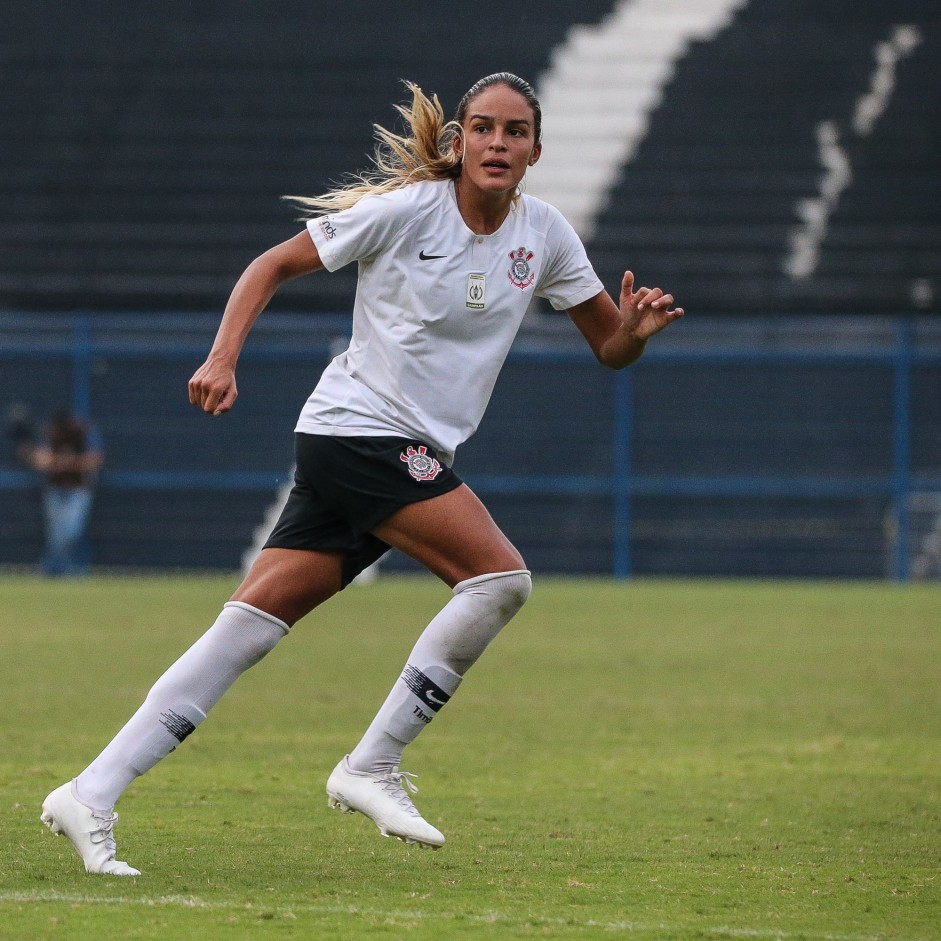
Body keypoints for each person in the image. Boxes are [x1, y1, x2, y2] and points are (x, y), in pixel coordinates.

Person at [40, 72, 684, 876]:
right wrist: (221, 356)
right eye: (480, 127)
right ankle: (371, 764)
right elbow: (270, 264)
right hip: (359, 434)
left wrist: (636, 332)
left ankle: (89, 791)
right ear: (457, 144)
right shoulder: (405, 211)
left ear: (534, 150)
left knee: (244, 629)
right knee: (499, 579)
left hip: (394, 449)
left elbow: (608, 348)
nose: (495, 142)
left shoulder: (545, 235)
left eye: (513, 132)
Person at [19, 407, 104, 577]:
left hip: (78, 490)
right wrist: (45, 459)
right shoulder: (52, 433)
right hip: (55, 489)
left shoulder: (85, 432)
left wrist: (69, 463)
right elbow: (42, 460)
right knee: (55, 534)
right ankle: (57, 569)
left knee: (70, 531)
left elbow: (95, 460)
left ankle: (57, 567)